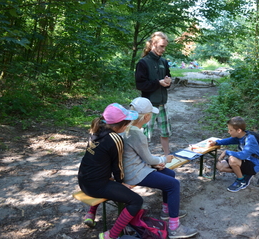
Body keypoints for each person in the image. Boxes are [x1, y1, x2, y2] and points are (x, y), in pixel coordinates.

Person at [122, 97, 198, 239]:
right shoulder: (136, 134)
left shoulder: (126, 128)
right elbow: (149, 158)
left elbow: (138, 156)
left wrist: (154, 164)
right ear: (146, 117)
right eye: (151, 114)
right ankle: (175, 228)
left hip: (134, 167)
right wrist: (164, 159)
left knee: (170, 174)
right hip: (135, 173)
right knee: (174, 184)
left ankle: (166, 211)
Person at [78, 103, 143, 239]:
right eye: (126, 124)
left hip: (83, 180)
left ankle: (91, 214)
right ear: (118, 126)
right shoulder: (116, 139)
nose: (127, 127)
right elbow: (117, 166)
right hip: (96, 186)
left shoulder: (95, 130)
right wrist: (121, 183)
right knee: (136, 201)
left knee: (106, 177)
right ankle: (112, 235)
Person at [135, 31, 172, 156]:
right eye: (162, 46)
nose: (163, 49)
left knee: (165, 132)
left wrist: (168, 81)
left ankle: (168, 156)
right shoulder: (143, 63)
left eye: (165, 46)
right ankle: (143, 159)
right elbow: (140, 85)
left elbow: (168, 79)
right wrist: (158, 83)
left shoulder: (164, 62)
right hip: (148, 106)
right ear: (153, 44)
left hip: (163, 104)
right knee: (145, 135)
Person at [208, 116, 259, 192]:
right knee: (220, 166)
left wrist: (226, 152)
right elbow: (228, 141)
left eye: (230, 130)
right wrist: (216, 142)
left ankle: (241, 181)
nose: (228, 132)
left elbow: (243, 155)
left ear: (239, 130)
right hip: (243, 162)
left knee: (232, 159)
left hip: (253, 165)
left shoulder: (250, 139)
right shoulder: (239, 136)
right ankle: (244, 174)